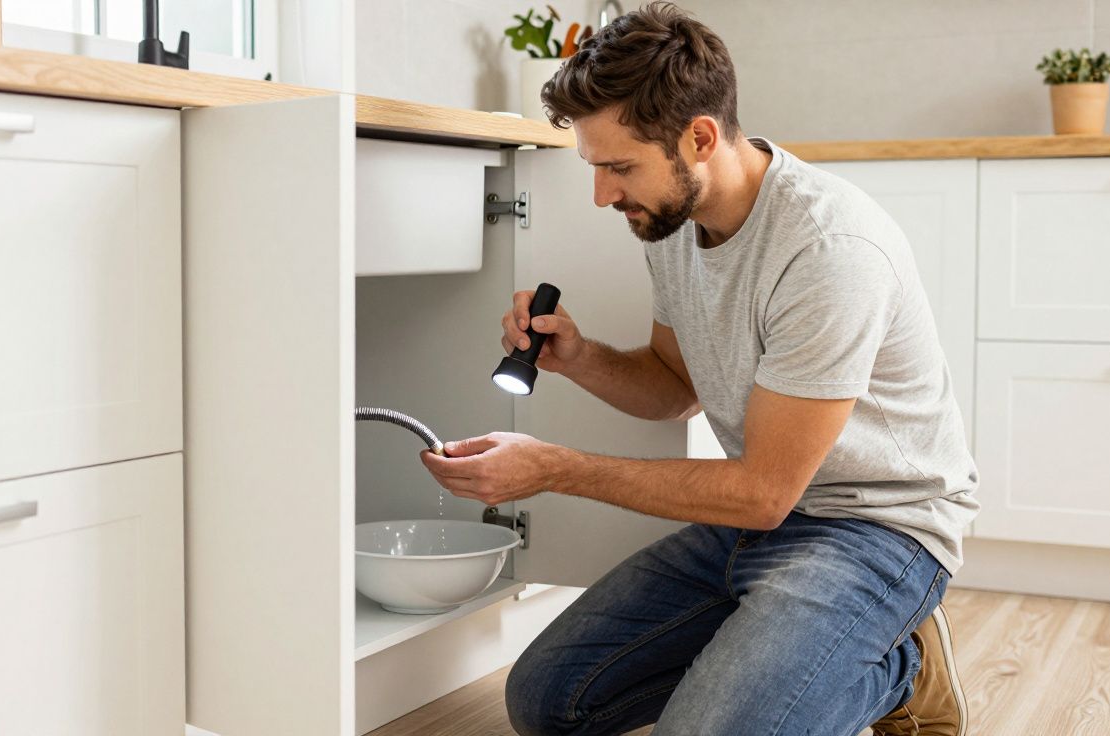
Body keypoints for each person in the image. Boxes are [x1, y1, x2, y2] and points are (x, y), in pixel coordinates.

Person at [419, 3, 978, 734]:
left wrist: (552, 467)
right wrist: (579, 359)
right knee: (547, 699)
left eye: (618, 167)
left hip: (877, 530)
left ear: (700, 137)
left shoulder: (828, 250)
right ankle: (784, 662)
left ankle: (905, 670)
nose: (602, 195)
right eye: (595, 167)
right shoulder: (675, 223)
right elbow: (677, 387)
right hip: (760, 521)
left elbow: (762, 493)